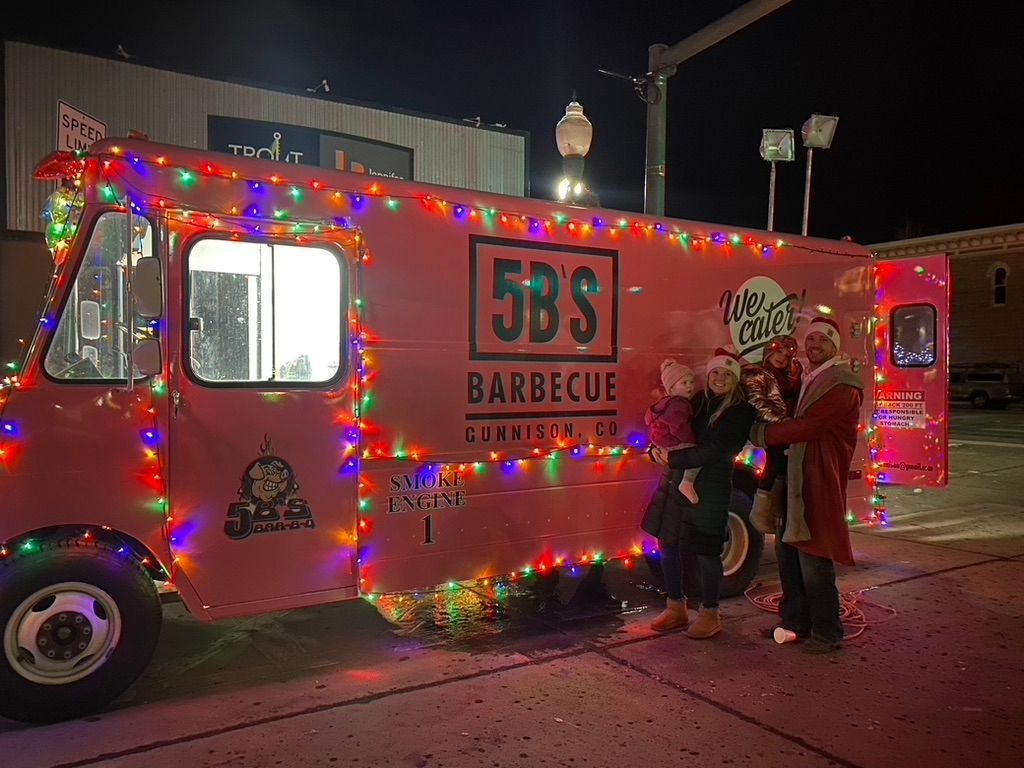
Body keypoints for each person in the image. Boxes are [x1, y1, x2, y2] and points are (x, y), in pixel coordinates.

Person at [750, 317, 864, 654]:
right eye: (810, 338)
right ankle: (795, 621)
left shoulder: (842, 384)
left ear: (834, 347)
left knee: (813, 555)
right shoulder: (808, 377)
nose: (813, 345)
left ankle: (828, 632)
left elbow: (808, 426)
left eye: (822, 340)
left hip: (817, 479)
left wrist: (761, 434)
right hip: (793, 477)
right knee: (788, 552)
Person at [641, 348, 756, 638]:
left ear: (735, 379)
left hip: (711, 487)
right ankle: (675, 606)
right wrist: (655, 450)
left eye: (727, 374)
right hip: (675, 481)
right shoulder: (698, 400)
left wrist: (673, 459)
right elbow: (670, 428)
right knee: (667, 544)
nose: (719, 378)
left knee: (707, 552)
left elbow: (716, 450)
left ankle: (710, 612)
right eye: (715, 372)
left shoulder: (740, 411)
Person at [747, 334, 804, 533]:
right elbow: (758, 404)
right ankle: (760, 511)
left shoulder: (793, 376)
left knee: (785, 467)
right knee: (774, 462)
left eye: (788, 355)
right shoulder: (757, 374)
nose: (782, 358)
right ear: (770, 351)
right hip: (771, 427)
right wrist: (782, 422)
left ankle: (778, 509)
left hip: (791, 429)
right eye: (779, 352)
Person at [645, 359, 700, 503]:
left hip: (660, 443)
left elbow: (648, 419)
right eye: (684, 383)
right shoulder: (679, 404)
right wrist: (690, 440)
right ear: (671, 388)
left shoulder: (662, 403)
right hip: (674, 442)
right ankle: (687, 483)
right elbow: (679, 427)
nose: (690, 386)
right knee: (696, 457)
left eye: (691, 382)